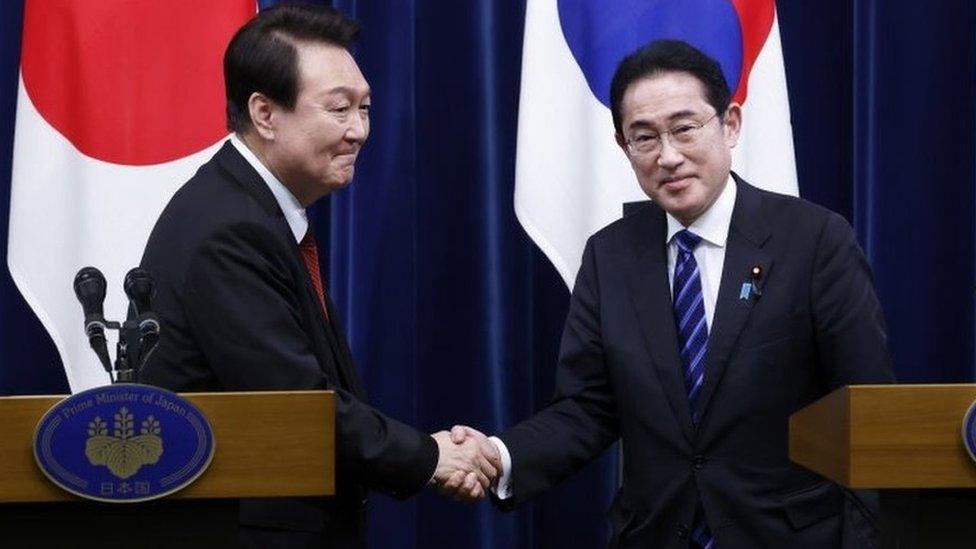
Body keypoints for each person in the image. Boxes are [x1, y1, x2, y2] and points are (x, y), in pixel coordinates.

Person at [449, 40, 895, 548]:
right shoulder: (610, 256)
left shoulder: (814, 240)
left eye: (685, 129)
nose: (668, 156)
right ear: (623, 147)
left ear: (730, 124)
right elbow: (588, 409)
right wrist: (497, 456)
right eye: (644, 137)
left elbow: (866, 413)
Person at [138, 4, 495, 547]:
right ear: (264, 113)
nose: (360, 131)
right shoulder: (227, 228)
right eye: (339, 109)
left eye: (366, 108)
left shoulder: (250, 209)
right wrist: (432, 456)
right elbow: (296, 406)